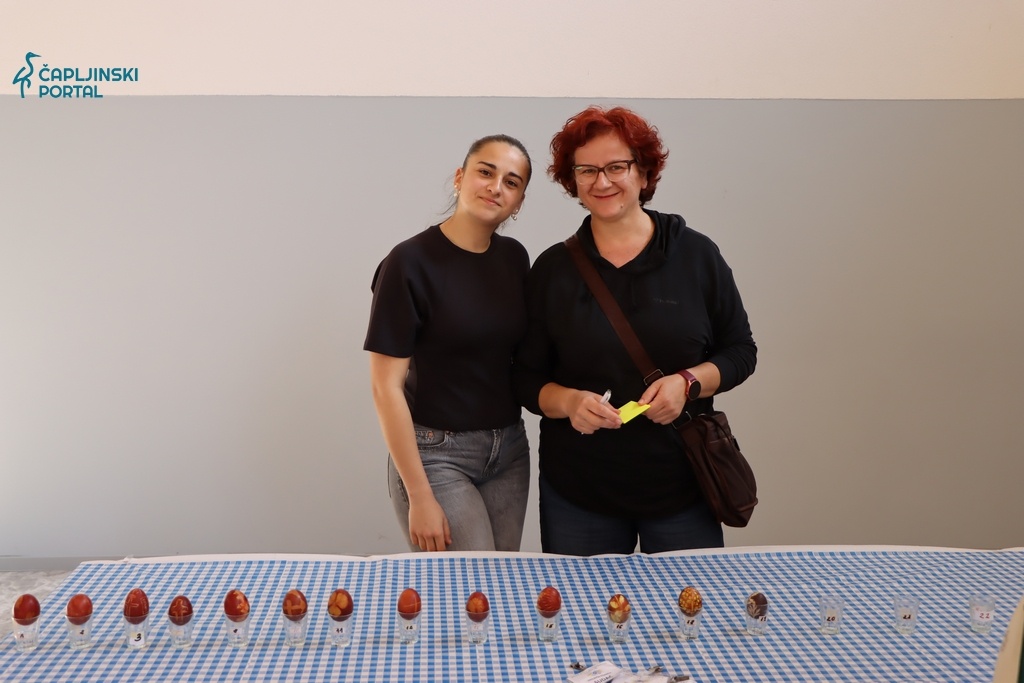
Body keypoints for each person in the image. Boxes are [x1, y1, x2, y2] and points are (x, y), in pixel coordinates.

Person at [514, 107, 757, 556]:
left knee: (688, 602)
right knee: (585, 605)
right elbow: (525, 379)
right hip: (579, 494)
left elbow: (741, 351)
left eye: (616, 167)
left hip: (685, 486)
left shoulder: (697, 255)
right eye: (587, 170)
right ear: (573, 181)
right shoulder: (553, 270)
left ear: (643, 172)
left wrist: (687, 382)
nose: (602, 181)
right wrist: (569, 403)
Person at [365, 134, 534, 552]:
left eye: (511, 182)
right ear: (460, 178)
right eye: (485, 172)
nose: (496, 187)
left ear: (519, 202)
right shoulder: (408, 263)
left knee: (501, 583)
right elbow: (385, 388)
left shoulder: (515, 259)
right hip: (436, 455)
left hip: (509, 451)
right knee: (468, 585)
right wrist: (419, 495)